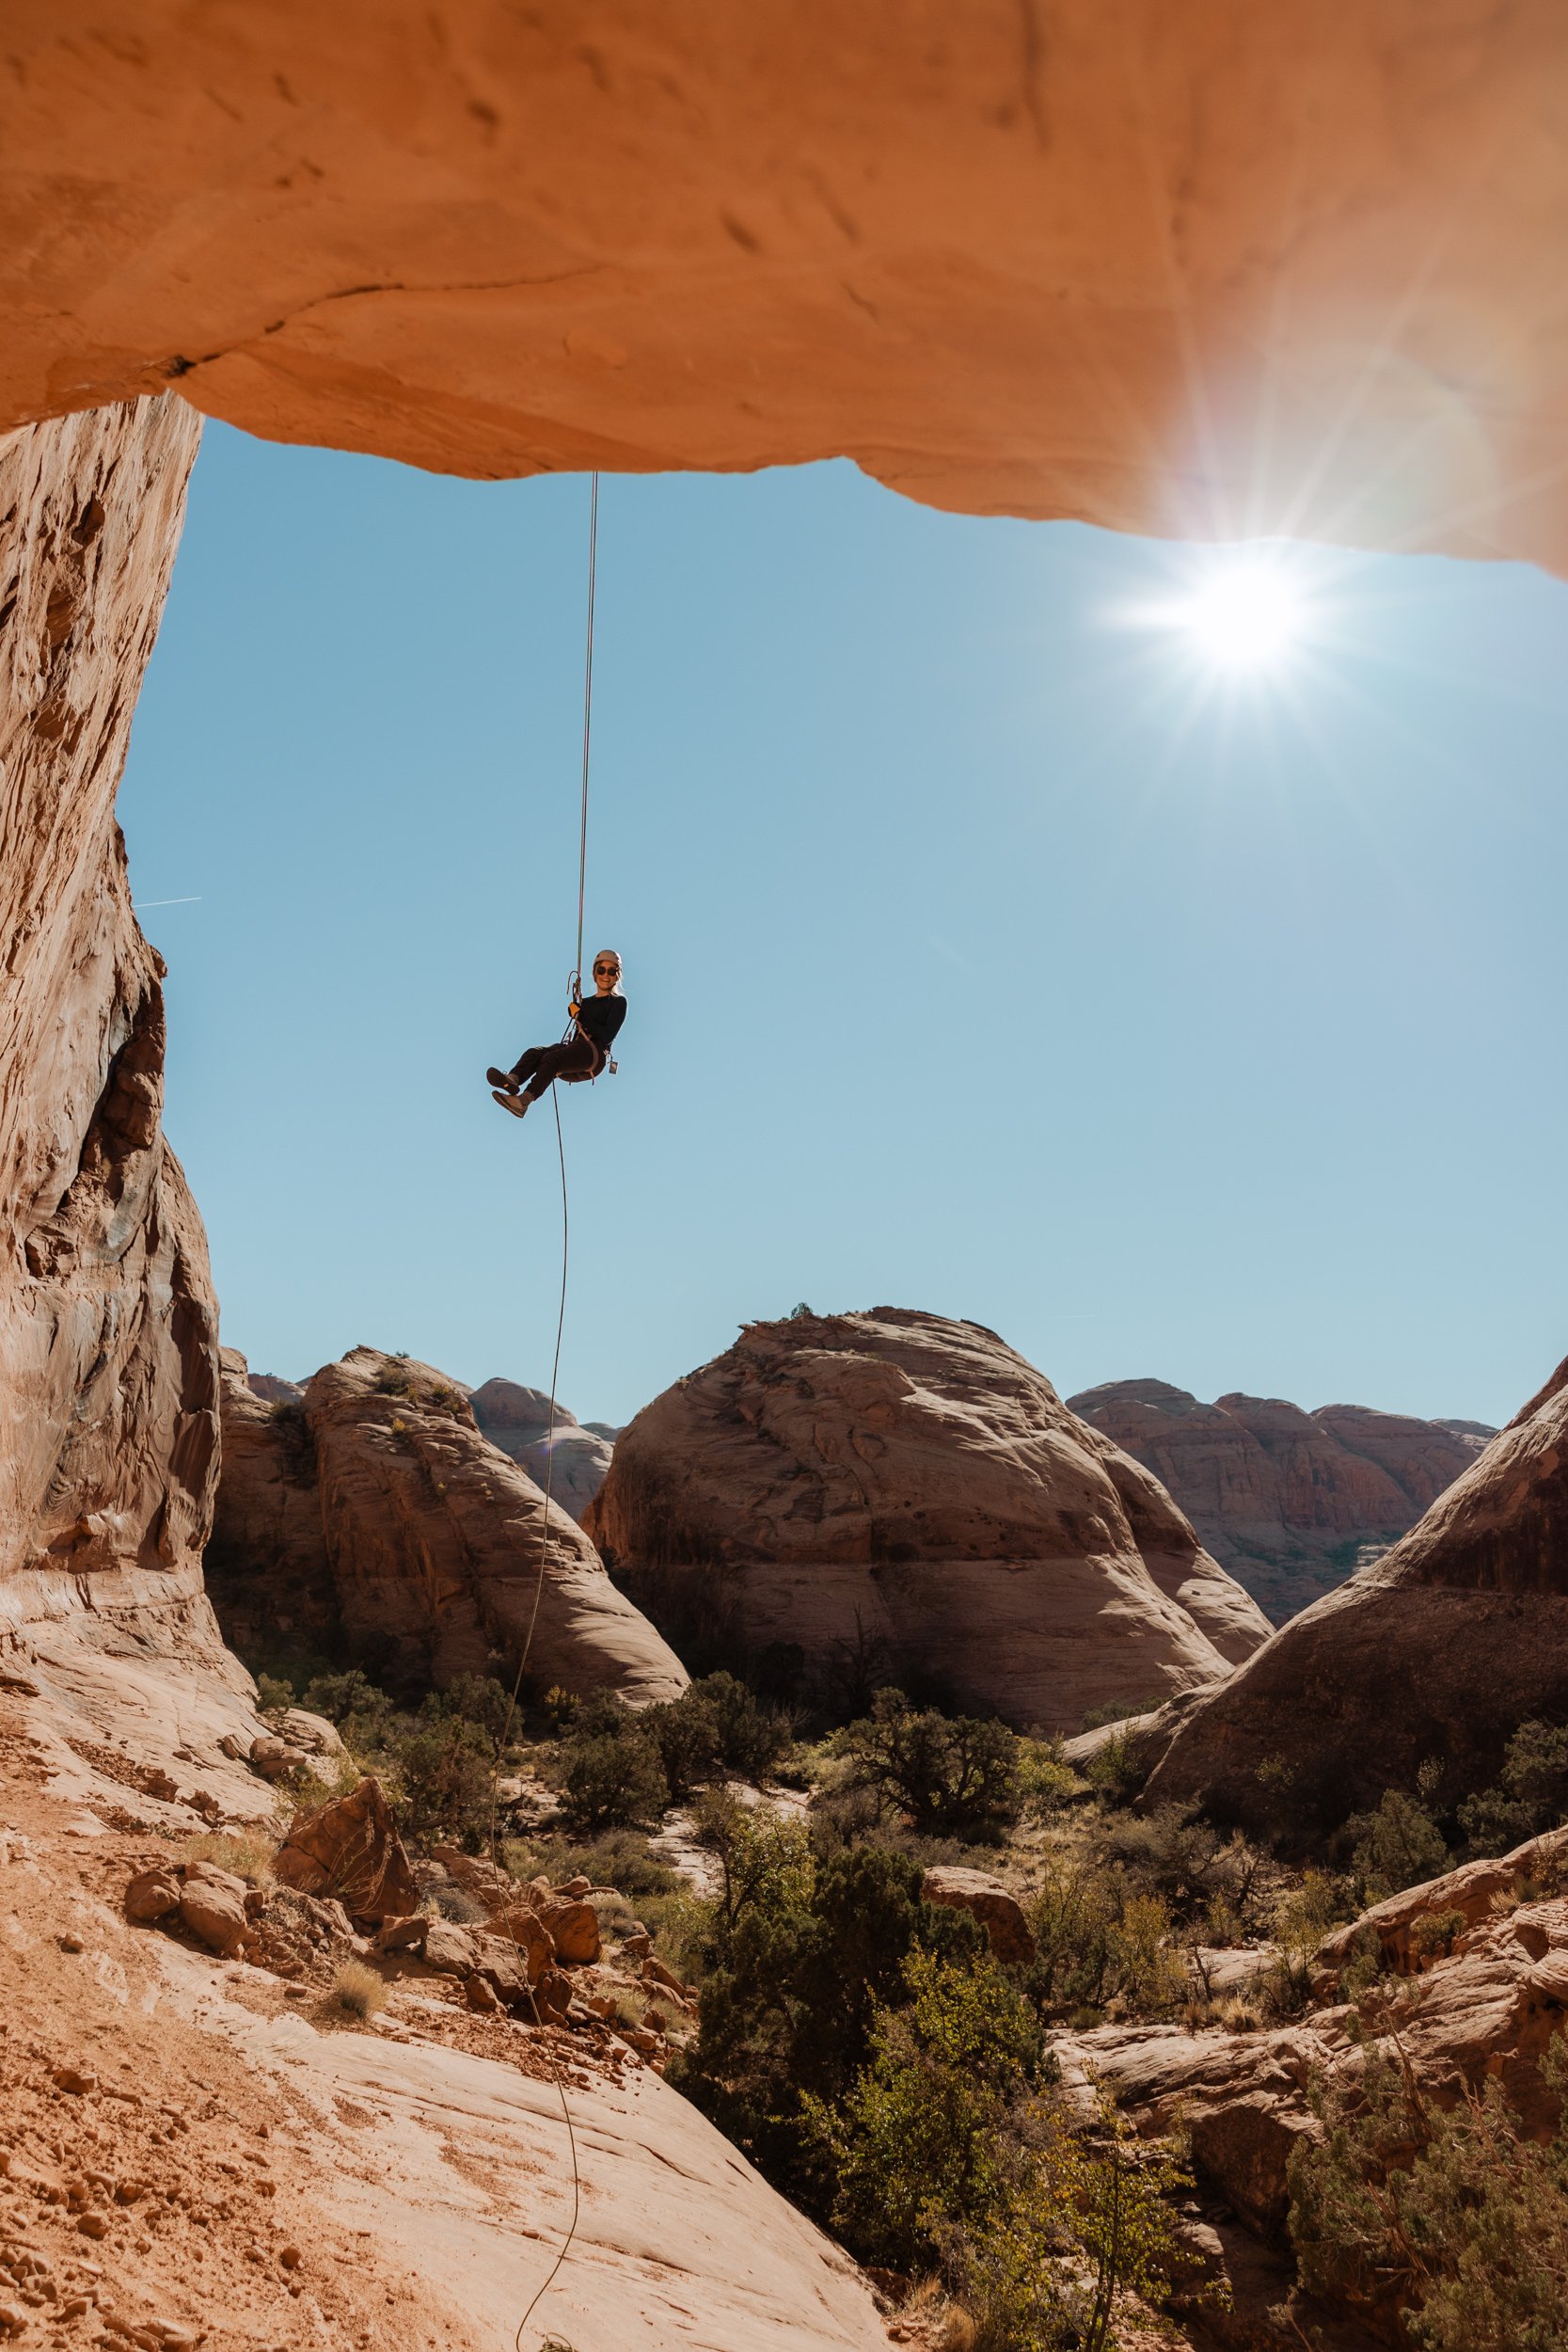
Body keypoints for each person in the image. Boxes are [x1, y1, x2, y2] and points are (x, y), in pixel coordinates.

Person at [488, 949, 626, 1119]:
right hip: (578, 1048)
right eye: (602, 970)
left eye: (612, 971)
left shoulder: (618, 1002)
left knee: (552, 1059)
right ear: (595, 973)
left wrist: (580, 1015)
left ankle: (523, 1101)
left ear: (617, 975)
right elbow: (578, 1033)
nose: (606, 975)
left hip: (594, 1053)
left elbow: (607, 1035)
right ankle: (514, 1078)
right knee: (535, 1053)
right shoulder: (586, 1003)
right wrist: (579, 1012)